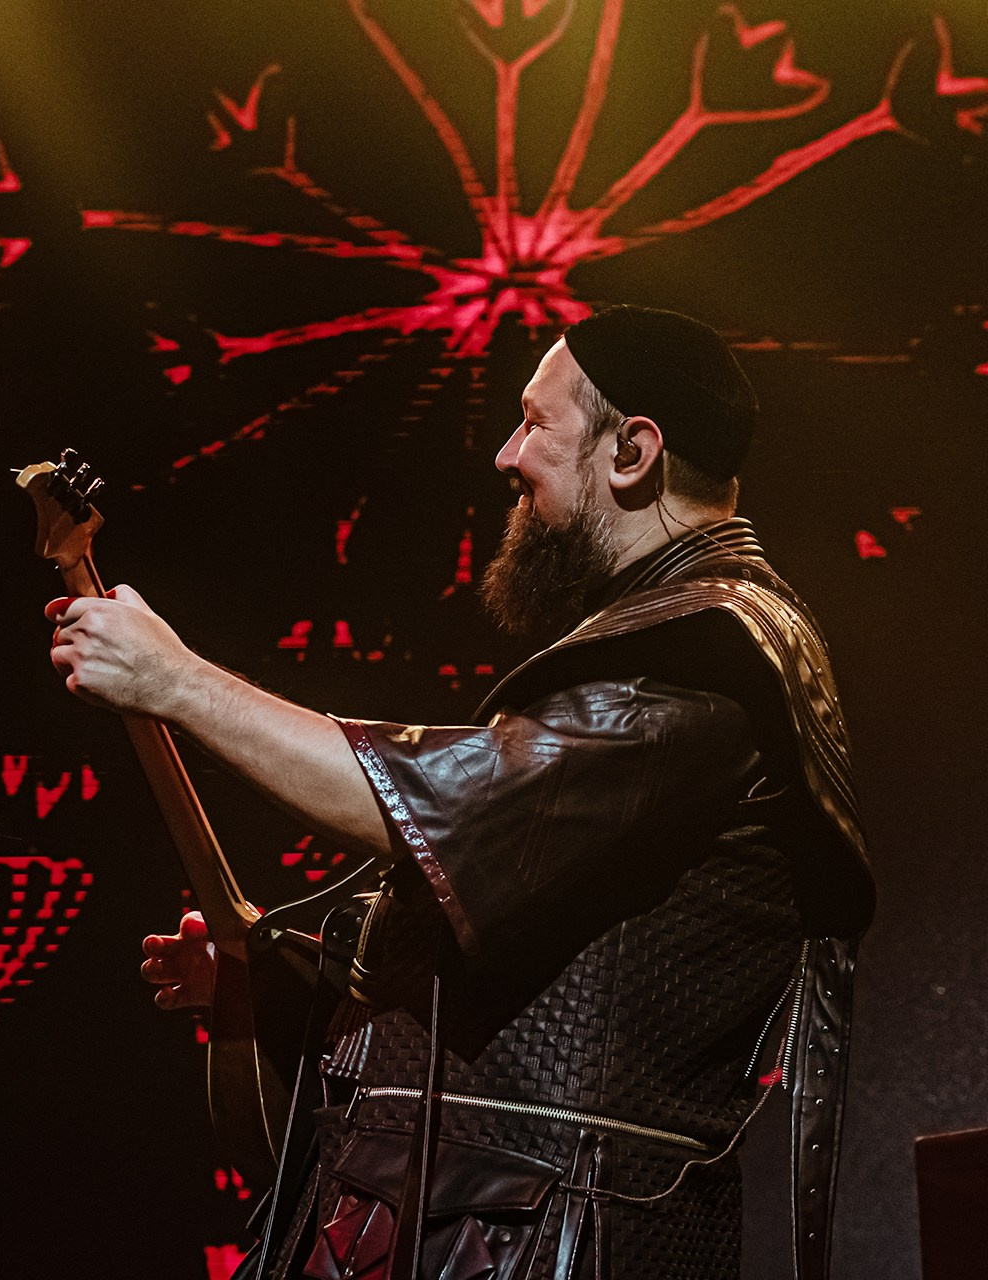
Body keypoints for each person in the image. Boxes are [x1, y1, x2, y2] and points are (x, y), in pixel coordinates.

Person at [47, 307, 870, 1280]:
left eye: (537, 422)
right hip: (482, 1226)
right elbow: (530, 963)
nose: (507, 454)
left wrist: (177, 681)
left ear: (633, 451)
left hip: (533, 1240)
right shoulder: (681, 645)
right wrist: (279, 979)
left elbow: (451, 810)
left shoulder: (703, 664)